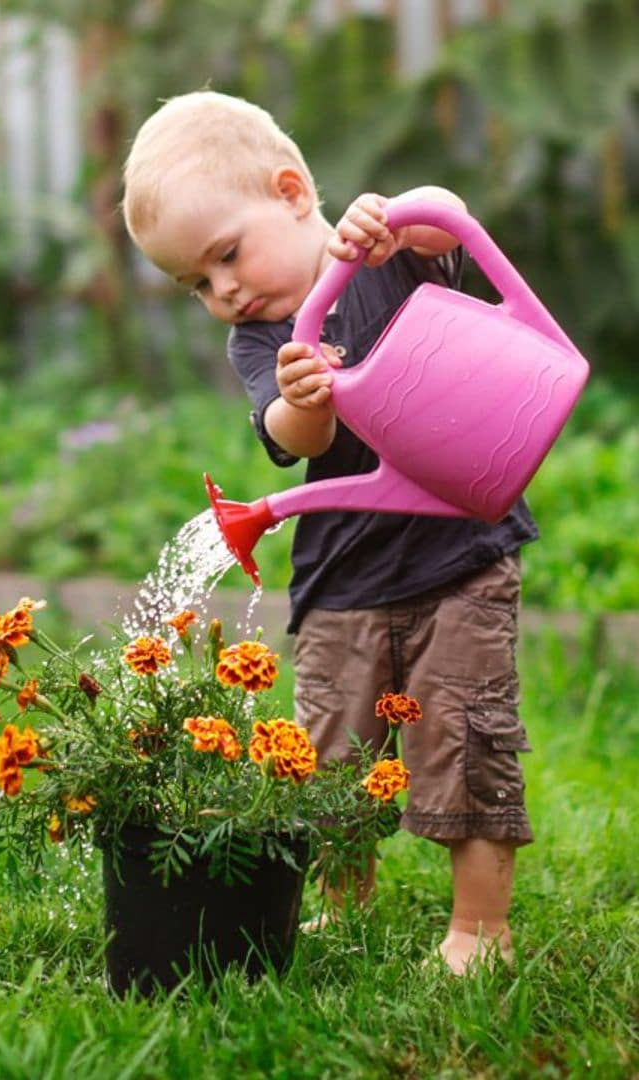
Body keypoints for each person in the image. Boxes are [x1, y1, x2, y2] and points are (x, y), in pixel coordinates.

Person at [121, 90, 538, 974]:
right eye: (195, 282)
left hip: (457, 555)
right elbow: (286, 435)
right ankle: (348, 906)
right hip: (342, 575)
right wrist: (301, 399)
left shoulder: (385, 255)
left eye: (226, 255)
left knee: (467, 738)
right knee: (331, 756)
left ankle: (479, 930)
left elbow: (450, 223)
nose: (222, 289)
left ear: (291, 191)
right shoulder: (266, 338)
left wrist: (397, 219)